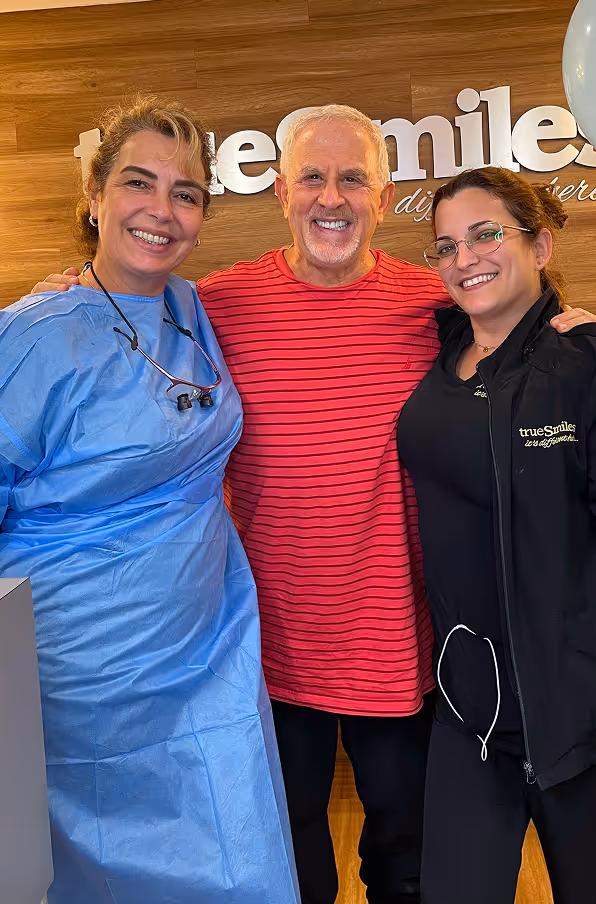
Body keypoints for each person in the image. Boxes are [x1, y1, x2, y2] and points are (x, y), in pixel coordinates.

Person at [29, 105, 596, 904]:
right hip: (263, 650)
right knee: (290, 858)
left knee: (403, 862)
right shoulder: (214, 307)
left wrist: (575, 328)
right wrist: (68, 291)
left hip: (402, 650)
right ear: (279, 192)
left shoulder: (431, 303)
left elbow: (516, 328)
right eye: (311, 176)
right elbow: (118, 310)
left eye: (351, 179)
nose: (329, 197)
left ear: (382, 193)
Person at [0, 97, 298, 904]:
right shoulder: (33, 334)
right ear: (94, 196)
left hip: (208, 648)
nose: (162, 211)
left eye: (187, 193)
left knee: (240, 859)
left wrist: (543, 317)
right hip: (85, 675)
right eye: (140, 183)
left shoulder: (191, 309)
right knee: (93, 869)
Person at [397, 166, 596, 904]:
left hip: (586, 712)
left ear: (541, 244)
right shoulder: (436, 343)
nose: (465, 257)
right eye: (445, 245)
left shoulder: (592, 360)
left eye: (487, 234)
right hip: (470, 707)